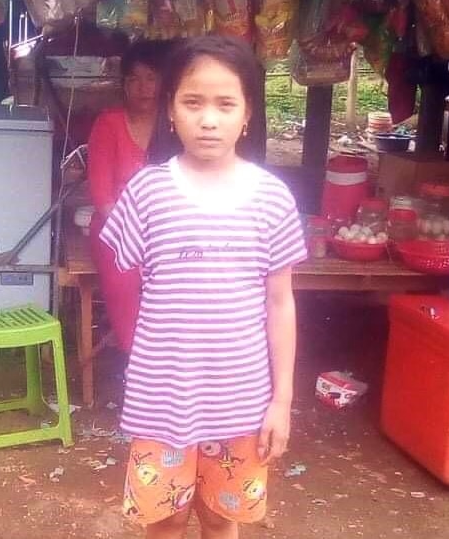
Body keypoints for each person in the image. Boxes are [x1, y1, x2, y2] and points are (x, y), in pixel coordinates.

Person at [100, 35, 307, 539]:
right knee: (164, 521)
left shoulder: (272, 198)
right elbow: (128, 287)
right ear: (170, 110)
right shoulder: (146, 192)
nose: (208, 119)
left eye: (225, 104)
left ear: (247, 114)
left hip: (242, 401)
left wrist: (282, 400)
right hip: (162, 399)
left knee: (220, 518)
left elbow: (281, 304)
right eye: (193, 102)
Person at [88, 40, 163, 354]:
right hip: (116, 230)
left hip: (168, 229)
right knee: (126, 277)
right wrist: (140, 238)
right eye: (133, 79)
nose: (142, 87)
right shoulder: (109, 124)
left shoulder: (175, 124)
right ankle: (138, 363)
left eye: (150, 78)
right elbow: (103, 198)